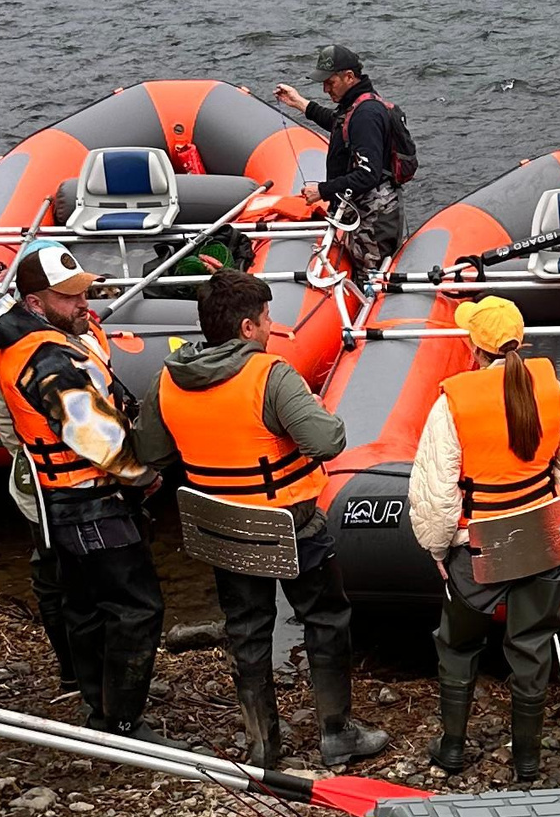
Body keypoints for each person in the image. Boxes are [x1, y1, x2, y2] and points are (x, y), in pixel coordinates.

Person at [136, 263, 388, 777]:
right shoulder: (271, 375)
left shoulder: (170, 378)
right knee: (325, 620)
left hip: (221, 526)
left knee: (247, 631)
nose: (271, 326)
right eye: (267, 317)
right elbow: (328, 441)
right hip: (289, 523)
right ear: (248, 328)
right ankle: (336, 734)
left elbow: (149, 450)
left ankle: (262, 746)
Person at [408, 294, 560, 786]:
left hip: (476, 547)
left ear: (474, 347)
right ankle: (527, 761)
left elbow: (436, 488)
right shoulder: (555, 391)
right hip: (539, 540)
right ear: (520, 340)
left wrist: (436, 546)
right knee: (532, 645)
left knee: (457, 644)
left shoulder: (454, 403)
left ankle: (451, 748)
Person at [0, 244, 164, 737]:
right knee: (136, 607)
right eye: (70, 298)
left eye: (83, 292)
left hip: (61, 502)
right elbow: (91, 432)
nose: (84, 304)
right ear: (36, 304)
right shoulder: (46, 360)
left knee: (84, 603)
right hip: (88, 501)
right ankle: (123, 722)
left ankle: (96, 702)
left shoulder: (33, 336)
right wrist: (141, 474)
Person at [275, 46, 408, 283]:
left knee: (371, 284)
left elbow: (367, 175)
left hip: (374, 220)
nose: (325, 89)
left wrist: (323, 190)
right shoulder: (355, 105)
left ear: (349, 76)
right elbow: (338, 123)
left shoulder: (366, 114)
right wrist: (299, 103)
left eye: (330, 82)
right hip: (363, 212)